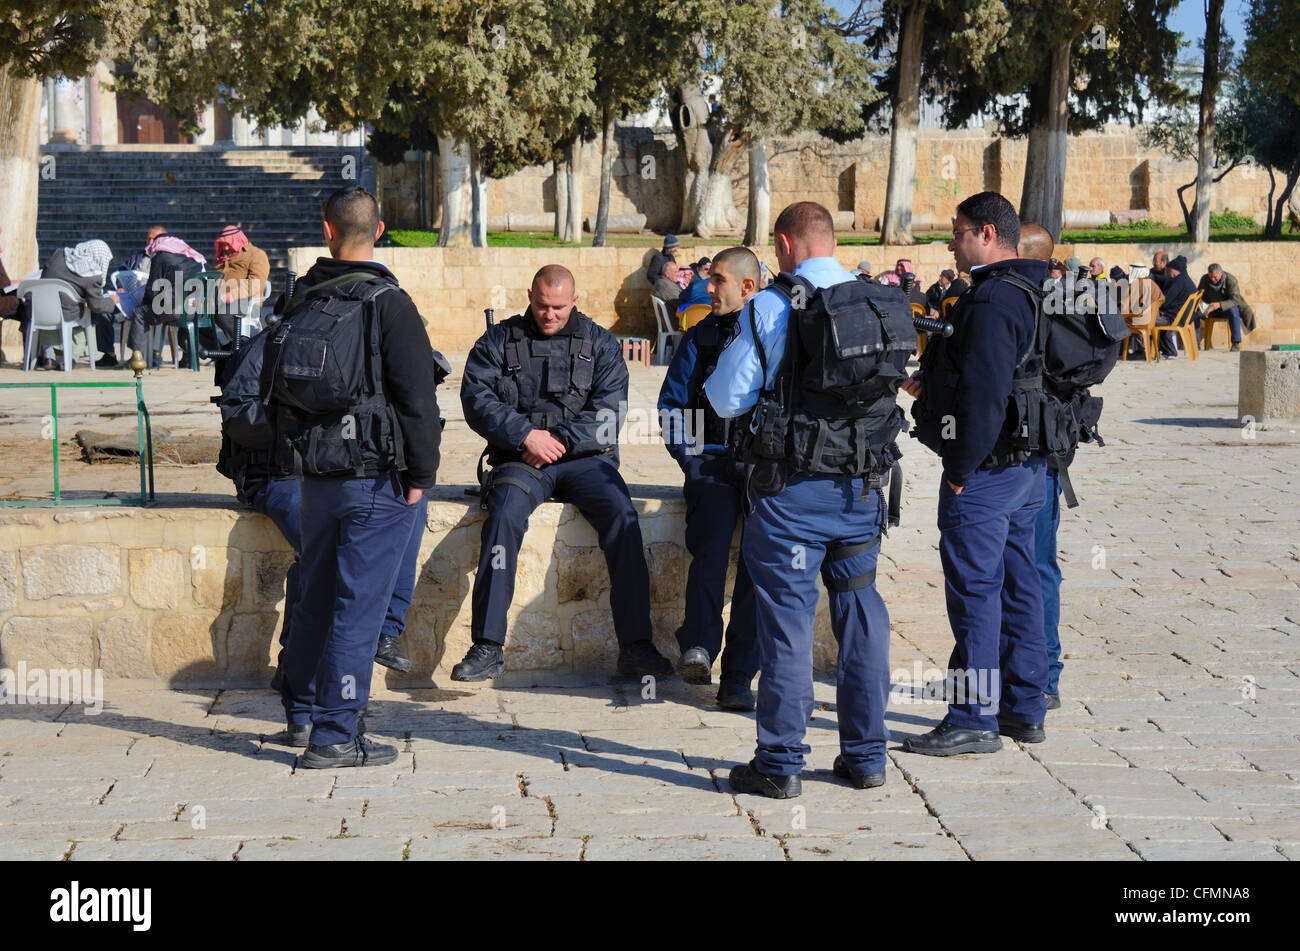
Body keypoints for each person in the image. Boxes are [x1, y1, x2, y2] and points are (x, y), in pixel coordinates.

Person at [708, 201, 910, 798]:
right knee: (862, 615)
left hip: (791, 492)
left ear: (786, 244)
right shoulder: (876, 300)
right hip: (862, 490)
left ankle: (779, 762)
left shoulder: (771, 305)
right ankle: (867, 757)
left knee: (789, 624)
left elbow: (725, 399)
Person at [268, 185, 442, 768]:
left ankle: (299, 713)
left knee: (315, 594)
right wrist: (423, 473)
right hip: (376, 477)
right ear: (382, 230)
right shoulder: (389, 302)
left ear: (326, 230)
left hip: (315, 476)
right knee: (358, 609)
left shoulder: (300, 297)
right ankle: (336, 735)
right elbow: (418, 399)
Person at [458, 264, 673, 681]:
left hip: (586, 459)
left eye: (558, 307)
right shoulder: (499, 340)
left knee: (623, 518)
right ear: (529, 296)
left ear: (574, 300)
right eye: (541, 306)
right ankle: (487, 645)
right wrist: (525, 436)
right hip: (522, 461)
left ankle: (636, 647)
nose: (549, 315)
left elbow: (610, 411)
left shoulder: (601, 344)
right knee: (502, 516)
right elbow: (476, 398)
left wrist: (552, 441)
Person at [215, 326, 448, 710]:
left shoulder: (370, 340)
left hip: (348, 473)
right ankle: (297, 674)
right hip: (280, 474)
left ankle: (386, 631)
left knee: (409, 503)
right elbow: (238, 413)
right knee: (324, 550)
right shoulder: (275, 341)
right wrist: (300, 420)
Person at [903, 190, 1049, 756]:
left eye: (958, 231)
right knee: (1020, 589)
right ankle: (1023, 706)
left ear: (987, 233)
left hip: (986, 472)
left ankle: (973, 717)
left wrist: (961, 469)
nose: (951, 241)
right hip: (1027, 468)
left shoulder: (991, 301)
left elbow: (988, 395)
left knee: (976, 598)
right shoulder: (1030, 288)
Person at [656, 246, 762, 711]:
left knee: (759, 567)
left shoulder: (774, 335)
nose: (706, 288)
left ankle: (739, 676)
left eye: (717, 280)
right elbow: (672, 407)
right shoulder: (698, 337)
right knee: (711, 547)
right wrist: (692, 458)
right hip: (713, 463)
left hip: (764, 468)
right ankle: (698, 645)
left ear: (747, 286)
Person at [126, 230, 206, 365]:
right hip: (198, 310)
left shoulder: (161, 257)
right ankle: (189, 357)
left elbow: (152, 290)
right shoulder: (193, 257)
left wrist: (144, 305)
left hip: (174, 310)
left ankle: (136, 357)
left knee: (139, 313)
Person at [37, 240, 121, 369]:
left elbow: (44, 275)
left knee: (54, 311)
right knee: (89, 315)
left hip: (42, 310)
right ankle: (72, 357)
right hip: (68, 314)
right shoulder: (92, 275)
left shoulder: (59, 254)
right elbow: (97, 305)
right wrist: (112, 301)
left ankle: (49, 356)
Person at [213, 225, 271, 337]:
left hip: (247, 301)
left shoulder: (256, 255)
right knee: (194, 315)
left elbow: (256, 284)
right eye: (223, 244)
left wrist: (233, 295)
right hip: (220, 299)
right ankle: (220, 349)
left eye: (228, 244)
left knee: (223, 315)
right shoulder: (221, 258)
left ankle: (243, 347)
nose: (225, 248)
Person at [1146, 254, 1194, 358]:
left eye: (1169, 271)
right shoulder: (1185, 279)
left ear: (1175, 270)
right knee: (1155, 317)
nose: (1167, 273)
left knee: (1146, 320)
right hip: (1182, 317)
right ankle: (1168, 351)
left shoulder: (1178, 282)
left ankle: (1147, 352)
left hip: (1174, 318)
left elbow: (1165, 301)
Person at [1198, 264, 1255, 351]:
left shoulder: (1231, 280)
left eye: (1215, 277)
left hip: (1226, 309)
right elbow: (1199, 296)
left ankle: (1235, 343)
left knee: (1233, 311)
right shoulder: (1205, 279)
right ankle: (1195, 343)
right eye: (1211, 277)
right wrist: (1204, 308)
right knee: (1195, 313)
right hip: (1211, 309)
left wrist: (1219, 305)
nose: (1212, 280)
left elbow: (1236, 300)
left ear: (1221, 273)